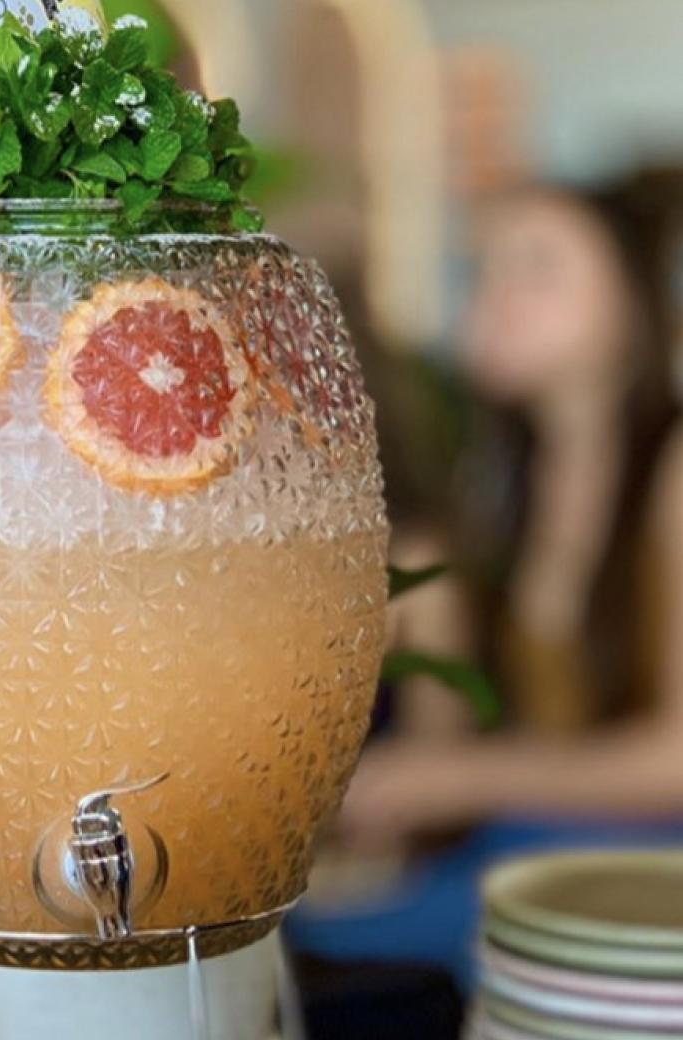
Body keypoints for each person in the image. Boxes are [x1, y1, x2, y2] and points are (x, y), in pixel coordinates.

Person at [291, 175, 683, 986]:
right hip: (524, 844)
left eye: (538, 267)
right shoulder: (504, 480)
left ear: (637, 294)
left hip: (641, 869)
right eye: (487, 269)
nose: (499, 294)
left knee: (307, 946)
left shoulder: (673, 475)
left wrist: (451, 779)